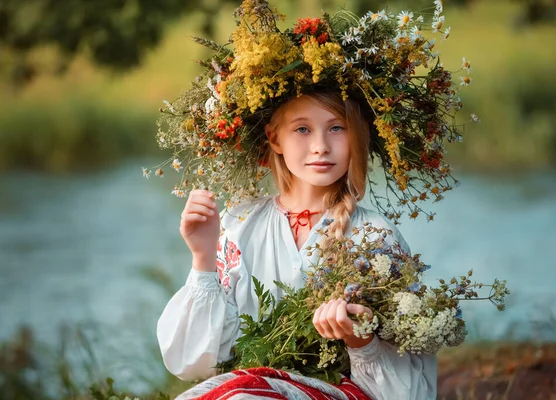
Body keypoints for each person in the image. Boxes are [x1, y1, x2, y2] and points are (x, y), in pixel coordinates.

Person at [156, 91, 437, 399]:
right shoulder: (239, 223)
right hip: (248, 386)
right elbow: (196, 364)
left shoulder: (375, 237)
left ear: (359, 134)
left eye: (337, 128)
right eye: (302, 129)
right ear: (274, 138)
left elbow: (409, 391)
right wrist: (203, 256)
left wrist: (360, 339)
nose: (320, 147)